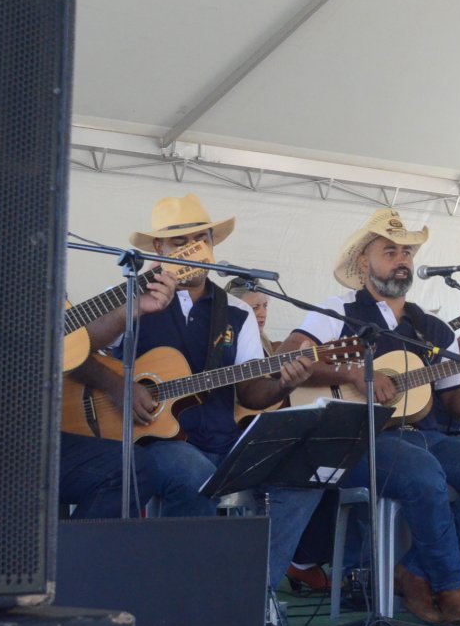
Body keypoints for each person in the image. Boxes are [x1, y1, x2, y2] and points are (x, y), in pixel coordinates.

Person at [280, 209, 460, 623]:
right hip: (359, 439)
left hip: (425, 437)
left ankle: (413, 570)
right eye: (390, 250)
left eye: (407, 252)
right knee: (423, 471)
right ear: (364, 263)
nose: (402, 260)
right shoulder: (337, 309)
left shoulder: (431, 328)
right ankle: (450, 586)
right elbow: (289, 355)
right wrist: (357, 374)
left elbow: (458, 406)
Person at [71, 193, 321, 592]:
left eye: (199, 238)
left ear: (212, 244)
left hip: (223, 438)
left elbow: (252, 392)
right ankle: (177, 598)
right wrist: (117, 384)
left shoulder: (236, 312)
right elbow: (72, 353)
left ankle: (255, 599)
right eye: (176, 241)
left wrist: (284, 383)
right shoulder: (127, 297)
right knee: (196, 476)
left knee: (302, 477)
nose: (189, 249)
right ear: (158, 249)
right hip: (150, 439)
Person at [59, 271, 178, 518]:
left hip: (30, 436)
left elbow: (71, 339)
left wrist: (131, 308)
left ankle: (71, 555)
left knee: (134, 469)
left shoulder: (37, 277)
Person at [225, 279, 275, 356]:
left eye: (265, 305)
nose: (263, 314)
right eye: (254, 308)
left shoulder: (264, 342)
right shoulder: (222, 343)